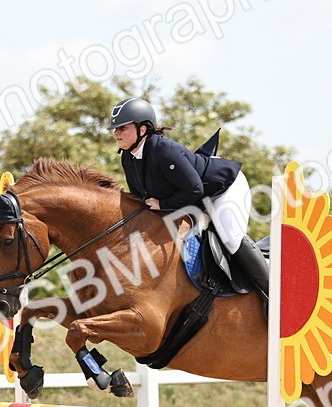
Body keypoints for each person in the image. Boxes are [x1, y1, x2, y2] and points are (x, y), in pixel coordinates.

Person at [110, 96, 269, 303]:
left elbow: (195, 189)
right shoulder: (128, 157)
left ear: (142, 129)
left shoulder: (163, 150)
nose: (116, 133)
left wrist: (163, 204)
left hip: (222, 188)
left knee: (230, 239)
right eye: (115, 129)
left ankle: (273, 294)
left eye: (123, 127)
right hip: (191, 198)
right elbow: (143, 200)